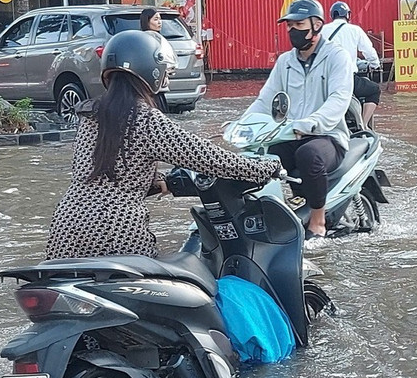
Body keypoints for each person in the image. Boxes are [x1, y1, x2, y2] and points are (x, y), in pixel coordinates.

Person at [46, 31, 279, 260]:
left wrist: (157, 183)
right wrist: (265, 168)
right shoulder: (145, 119)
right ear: (151, 70)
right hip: (116, 231)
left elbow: (103, 175)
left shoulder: (89, 116)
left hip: (65, 228)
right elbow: (206, 157)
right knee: (179, 280)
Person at [241, 0, 353, 240]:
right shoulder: (285, 62)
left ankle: (318, 221)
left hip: (327, 136)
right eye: (289, 26)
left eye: (299, 25)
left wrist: (312, 122)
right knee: (259, 160)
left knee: (308, 155)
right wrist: (243, 124)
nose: (292, 30)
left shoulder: (337, 57)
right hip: (290, 134)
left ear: (317, 25)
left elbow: (339, 98)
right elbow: (265, 100)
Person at [325, 0, 382, 126]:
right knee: (375, 90)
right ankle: (363, 126)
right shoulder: (355, 30)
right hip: (347, 80)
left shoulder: (323, 30)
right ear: (348, 15)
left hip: (326, 81)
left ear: (332, 15)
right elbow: (369, 51)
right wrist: (375, 64)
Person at [140, 7, 178, 113]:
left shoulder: (158, 38)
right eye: (156, 19)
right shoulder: (146, 39)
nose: (159, 22)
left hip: (159, 85)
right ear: (147, 21)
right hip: (151, 86)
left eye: (160, 19)